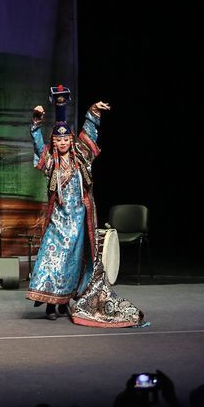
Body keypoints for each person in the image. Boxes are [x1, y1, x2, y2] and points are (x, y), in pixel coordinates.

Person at [26, 85, 143, 327]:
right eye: (58, 139)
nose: (62, 143)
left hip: (79, 219)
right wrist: (36, 124)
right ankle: (50, 303)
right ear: (54, 141)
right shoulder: (51, 162)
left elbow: (89, 134)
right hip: (58, 220)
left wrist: (93, 112)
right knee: (52, 259)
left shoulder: (81, 157)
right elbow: (39, 147)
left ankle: (63, 302)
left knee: (73, 263)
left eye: (65, 139)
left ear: (71, 140)